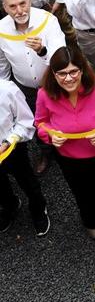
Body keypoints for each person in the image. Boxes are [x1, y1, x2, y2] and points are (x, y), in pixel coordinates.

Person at [35, 46, 95, 240]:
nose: (68, 78)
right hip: (70, 158)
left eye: (73, 72)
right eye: (61, 73)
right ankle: (92, 220)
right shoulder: (45, 94)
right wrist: (50, 136)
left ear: (82, 70)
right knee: (81, 190)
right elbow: (40, 123)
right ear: (53, 74)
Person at [0, 0, 66, 175]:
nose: (19, 10)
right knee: (37, 121)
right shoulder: (1, 30)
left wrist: (42, 51)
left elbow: (60, 56)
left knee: (61, 115)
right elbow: (2, 63)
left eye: (23, 3)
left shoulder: (48, 20)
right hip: (25, 87)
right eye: (13, 6)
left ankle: (67, 146)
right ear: (5, 7)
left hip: (54, 83)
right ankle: (46, 151)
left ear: (29, 1)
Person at [0, 80, 50, 237]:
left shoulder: (7, 89)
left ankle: (38, 208)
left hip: (11, 149)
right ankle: (10, 205)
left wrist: (9, 142)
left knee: (27, 180)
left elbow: (26, 121)